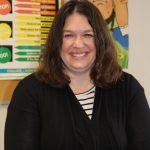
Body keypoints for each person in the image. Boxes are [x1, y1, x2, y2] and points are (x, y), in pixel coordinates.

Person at [4, 0, 150, 150]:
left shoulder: (128, 88)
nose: (78, 44)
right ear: (57, 41)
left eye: (87, 35)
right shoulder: (29, 92)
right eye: (68, 35)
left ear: (100, 40)